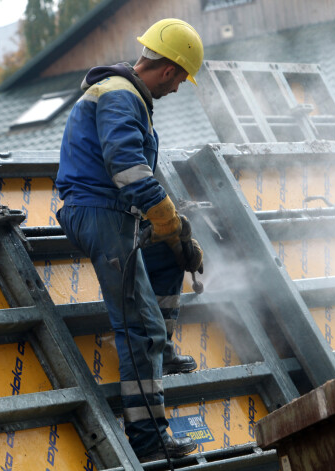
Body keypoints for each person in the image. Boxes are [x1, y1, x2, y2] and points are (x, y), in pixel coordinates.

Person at [55, 18, 205, 462]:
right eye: (180, 81)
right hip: (99, 214)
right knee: (140, 327)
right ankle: (149, 440)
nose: (177, 90)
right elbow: (130, 170)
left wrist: (173, 231)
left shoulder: (125, 95)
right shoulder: (121, 96)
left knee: (168, 255)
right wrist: (169, 219)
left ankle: (161, 349)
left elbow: (137, 176)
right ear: (169, 71)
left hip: (114, 212)